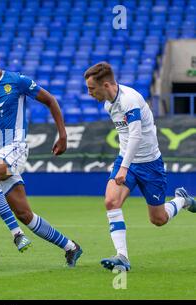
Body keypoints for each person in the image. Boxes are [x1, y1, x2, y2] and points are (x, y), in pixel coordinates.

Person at [0, 44, 83, 267]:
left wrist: (63, 135)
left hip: (15, 146)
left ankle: (16, 234)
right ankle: (70, 247)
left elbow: (50, 101)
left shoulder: (17, 81)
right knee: (25, 213)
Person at [84, 62, 196, 272]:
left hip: (150, 164)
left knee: (159, 219)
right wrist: (124, 163)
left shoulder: (130, 100)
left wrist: (123, 168)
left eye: (92, 88)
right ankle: (122, 257)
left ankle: (182, 200)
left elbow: (135, 135)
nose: (89, 93)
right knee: (111, 201)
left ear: (106, 84)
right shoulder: (108, 104)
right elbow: (126, 136)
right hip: (126, 160)